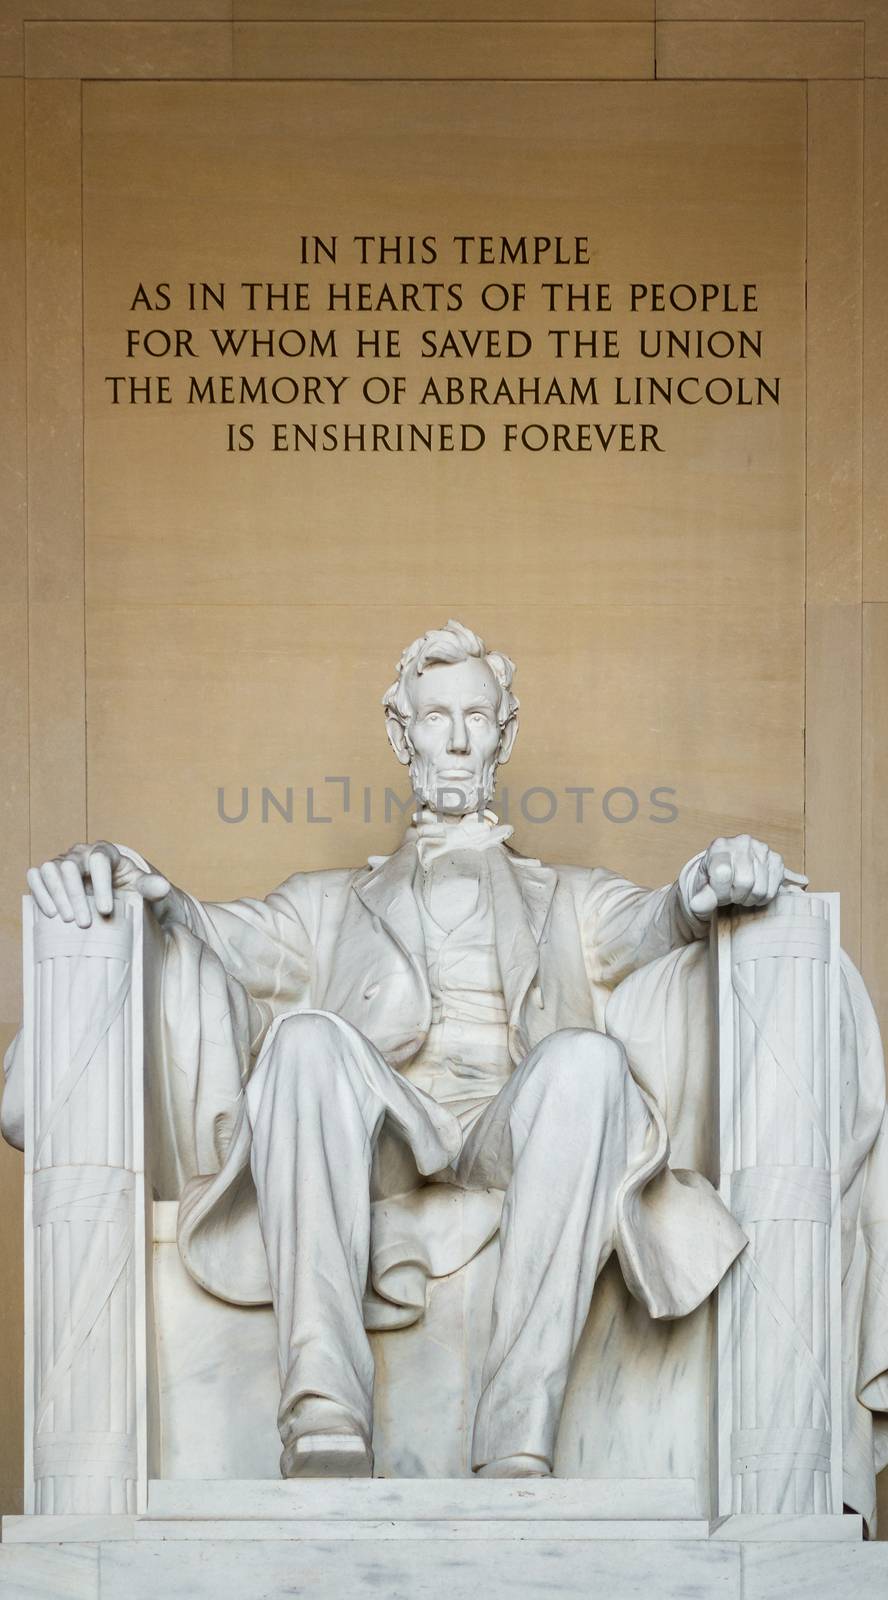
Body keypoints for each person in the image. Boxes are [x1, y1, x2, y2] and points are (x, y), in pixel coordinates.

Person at [18, 619, 805, 1482]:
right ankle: (322, 1412)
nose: (459, 739)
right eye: (436, 718)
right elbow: (211, 932)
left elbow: (658, 920)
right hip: (384, 1135)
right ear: (402, 734)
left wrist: (709, 879)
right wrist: (140, 886)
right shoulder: (326, 904)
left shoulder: (571, 900)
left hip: (518, 1134)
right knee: (305, 1041)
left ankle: (518, 1432)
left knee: (588, 1060)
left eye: (478, 716)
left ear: (506, 735)